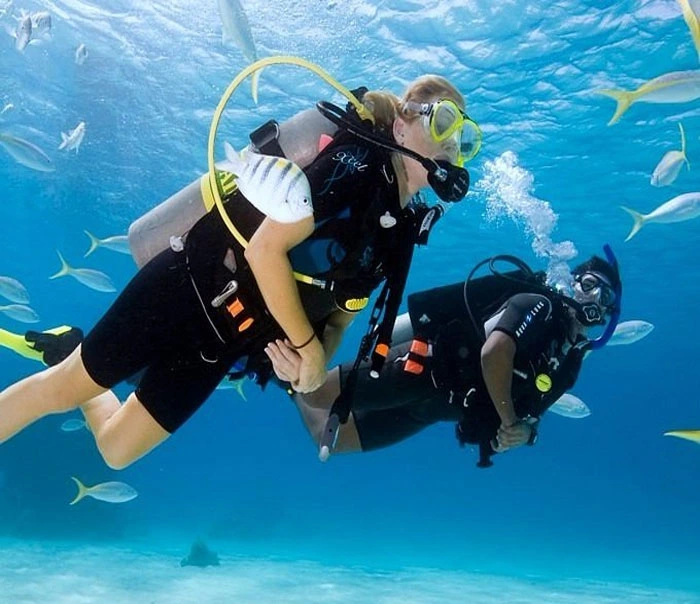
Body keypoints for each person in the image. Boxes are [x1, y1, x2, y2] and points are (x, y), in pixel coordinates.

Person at [0, 72, 480, 470]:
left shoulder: (398, 233)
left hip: (224, 344)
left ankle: (70, 346)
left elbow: (341, 316)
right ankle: (70, 364)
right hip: (189, 286)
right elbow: (264, 251)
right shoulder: (353, 168)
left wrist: (308, 370)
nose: (452, 145)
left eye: (464, 139)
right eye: (442, 122)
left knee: (116, 451)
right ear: (400, 126)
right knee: (59, 391)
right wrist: (311, 352)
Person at [264, 250, 623, 467]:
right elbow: (495, 351)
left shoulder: (571, 360)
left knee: (330, 441)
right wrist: (509, 419)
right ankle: (280, 351)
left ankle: (282, 376)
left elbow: (533, 414)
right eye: (588, 284)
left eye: (605, 297)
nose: (593, 298)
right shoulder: (539, 304)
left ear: (609, 315)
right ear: (571, 282)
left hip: (435, 409)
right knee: (314, 394)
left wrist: (524, 433)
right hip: (421, 372)